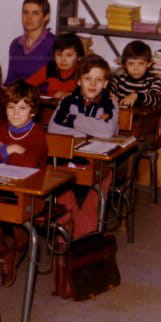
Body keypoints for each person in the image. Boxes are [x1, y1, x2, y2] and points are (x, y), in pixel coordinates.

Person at [0, 81, 48, 287]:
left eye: (22, 108)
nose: (15, 113)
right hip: (2, 188)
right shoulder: (3, 129)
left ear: (33, 112)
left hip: (30, 192)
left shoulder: (37, 133)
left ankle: (16, 251)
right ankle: (3, 254)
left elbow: (28, 163)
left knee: (20, 222)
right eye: (11, 107)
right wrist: (10, 149)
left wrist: (0, 151)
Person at [49, 55, 119, 239]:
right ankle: (66, 232)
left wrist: (73, 120)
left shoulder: (110, 104)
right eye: (88, 78)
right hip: (68, 159)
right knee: (57, 180)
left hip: (97, 161)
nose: (93, 84)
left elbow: (106, 131)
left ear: (105, 83)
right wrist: (87, 132)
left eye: (99, 80)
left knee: (101, 182)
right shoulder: (67, 101)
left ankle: (84, 235)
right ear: (79, 81)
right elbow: (54, 128)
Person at [4, 0, 56, 85]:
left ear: (46, 17)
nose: (29, 17)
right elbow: (10, 80)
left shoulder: (53, 44)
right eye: (25, 12)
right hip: (18, 93)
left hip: (42, 93)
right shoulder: (15, 44)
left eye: (35, 13)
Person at [26, 33, 85, 99]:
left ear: (79, 57)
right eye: (59, 54)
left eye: (69, 55)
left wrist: (71, 95)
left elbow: (90, 95)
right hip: (50, 104)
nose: (63, 59)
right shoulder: (50, 68)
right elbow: (28, 85)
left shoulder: (82, 71)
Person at [109, 40, 161, 109]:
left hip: (145, 115)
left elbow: (157, 99)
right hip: (121, 113)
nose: (136, 68)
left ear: (149, 63)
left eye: (141, 63)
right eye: (131, 63)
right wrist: (109, 94)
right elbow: (107, 88)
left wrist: (137, 96)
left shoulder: (153, 80)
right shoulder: (119, 77)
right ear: (124, 64)